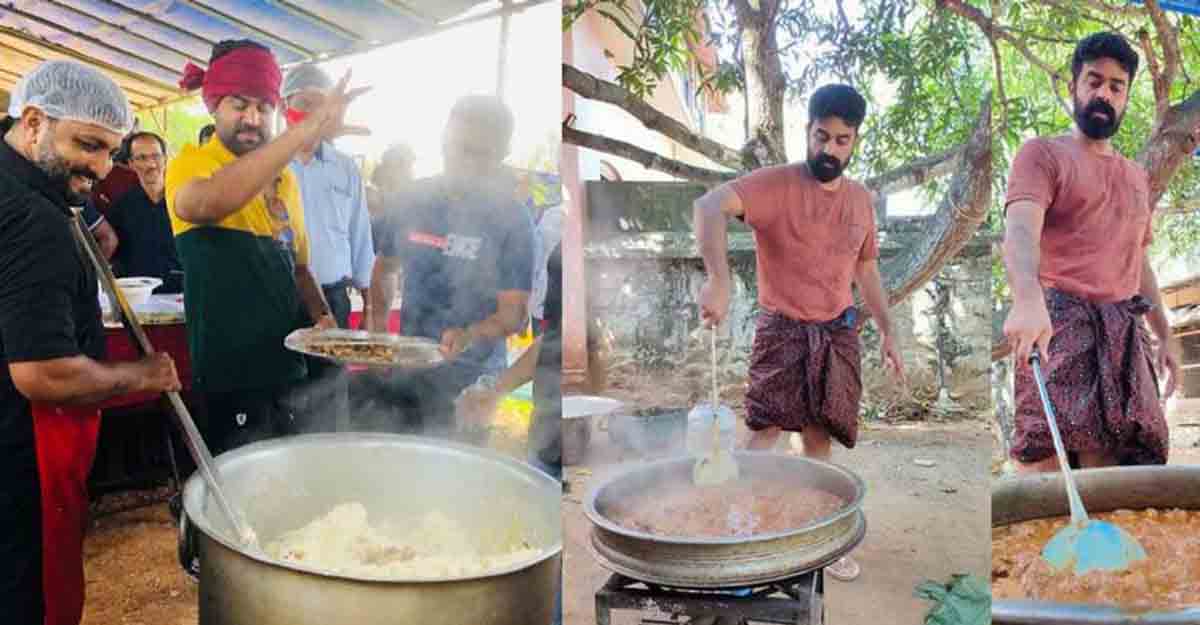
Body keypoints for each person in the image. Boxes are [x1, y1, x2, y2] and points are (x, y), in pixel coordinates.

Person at [692, 83, 904, 582]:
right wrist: (718, 281)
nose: (829, 149)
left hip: (837, 333)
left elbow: (867, 271)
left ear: (855, 142)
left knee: (818, 435)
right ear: (807, 131)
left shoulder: (860, 200)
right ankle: (731, 525)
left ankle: (821, 536)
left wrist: (890, 332)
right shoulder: (774, 184)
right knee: (763, 431)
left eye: (842, 140)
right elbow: (707, 207)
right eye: (821, 136)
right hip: (782, 329)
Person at [0, 59, 180, 625]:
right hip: (23, 446)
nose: (103, 167)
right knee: (32, 595)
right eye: (88, 145)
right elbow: (43, 373)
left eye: (111, 150)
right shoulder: (36, 218)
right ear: (33, 122)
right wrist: (142, 375)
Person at [166, 39, 364, 455]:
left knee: (290, 471)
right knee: (239, 481)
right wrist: (302, 134)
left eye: (264, 107)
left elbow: (298, 266)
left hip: (287, 364)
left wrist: (322, 317)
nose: (253, 119)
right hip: (230, 369)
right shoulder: (193, 164)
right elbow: (206, 203)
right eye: (239, 104)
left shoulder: (286, 181)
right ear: (213, 107)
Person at [1002, 32, 1179, 470]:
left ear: (1126, 97)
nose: (1104, 92)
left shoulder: (1136, 178)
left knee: (1117, 472)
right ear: (1074, 87)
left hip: (1123, 330)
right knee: (1046, 471)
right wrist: (1027, 300)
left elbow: (1137, 262)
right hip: (1058, 324)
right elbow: (1020, 229)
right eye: (1094, 80)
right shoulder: (1042, 154)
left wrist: (1166, 335)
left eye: (1116, 86)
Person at [364, 95, 534, 435]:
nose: (464, 162)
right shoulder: (412, 199)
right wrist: (379, 330)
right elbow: (385, 268)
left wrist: (470, 334)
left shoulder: (512, 220)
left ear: (501, 155)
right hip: (407, 367)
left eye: (480, 154)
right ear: (443, 140)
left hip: (471, 386)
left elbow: (513, 315)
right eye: (457, 148)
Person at [280, 63, 374, 431]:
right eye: (304, 103)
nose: (314, 114)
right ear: (282, 106)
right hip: (280, 299)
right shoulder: (266, 162)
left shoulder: (344, 167)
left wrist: (368, 303)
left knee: (330, 395)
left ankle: (330, 472)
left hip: (332, 300)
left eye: (323, 105)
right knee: (285, 394)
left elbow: (360, 232)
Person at [105, 131, 184, 292]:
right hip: (138, 296)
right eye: (141, 158)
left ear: (166, 159)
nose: (151, 164)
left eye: (156, 156)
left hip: (181, 294)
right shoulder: (121, 207)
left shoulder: (185, 201)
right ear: (131, 163)